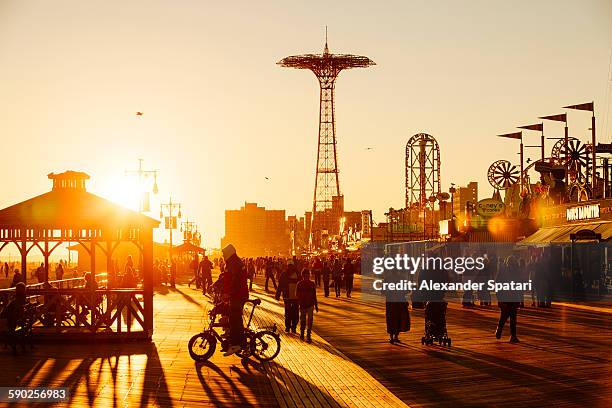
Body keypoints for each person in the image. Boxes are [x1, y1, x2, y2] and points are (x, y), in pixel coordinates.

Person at [222, 244, 249, 356]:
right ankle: (235, 339)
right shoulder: (233, 262)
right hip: (237, 294)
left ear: (229, 253)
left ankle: (236, 344)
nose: (223, 256)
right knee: (233, 317)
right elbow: (226, 277)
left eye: (224, 253)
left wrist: (228, 293)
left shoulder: (234, 263)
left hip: (238, 295)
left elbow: (234, 281)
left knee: (235, 318)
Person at [495, 256, 521, 343]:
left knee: (506, 316)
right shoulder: (514, 271)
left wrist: (499, 298)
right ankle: (512, 335)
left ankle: (510, 334)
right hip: (511, 297)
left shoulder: (505, 271)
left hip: (508, 297)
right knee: (509, 317)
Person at [0, 282, 28, 353]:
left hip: (10, 321)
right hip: (18, 320)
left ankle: (9, 342)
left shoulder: (15, 301)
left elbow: (6, 312)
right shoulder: (23, 299)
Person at [384, 270, 410, 344]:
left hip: (390, 301)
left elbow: (383, 291)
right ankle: (396, 336)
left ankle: (391, 336)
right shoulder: (402, 278)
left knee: (390, 318)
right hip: (399, 301)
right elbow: (407, 290)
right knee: (398, 318)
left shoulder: (387, 279)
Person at [275, 260, 300, 333]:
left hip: (296, 297)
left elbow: (300, 284)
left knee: (295, 313)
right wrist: (278, 294)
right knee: (288, 312)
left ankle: (294, 327)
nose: (290, 267)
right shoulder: (284, 274)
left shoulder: (297, 274)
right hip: (287, 296)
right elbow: (280, 285)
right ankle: (288, 326)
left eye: (291, 266)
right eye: (289, 266)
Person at [296, 269, 318, 343]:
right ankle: (302, 333)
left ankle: (308, 334)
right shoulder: (299, 284)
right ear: (302, 276)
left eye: (307, 275)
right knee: (304, 320)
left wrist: (316, 305)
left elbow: (314, 295)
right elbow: (297, 295)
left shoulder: (311, 284)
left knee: (309, 320)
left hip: (309, 304)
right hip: (303, 304)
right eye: (305, 276)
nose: (306, 277)